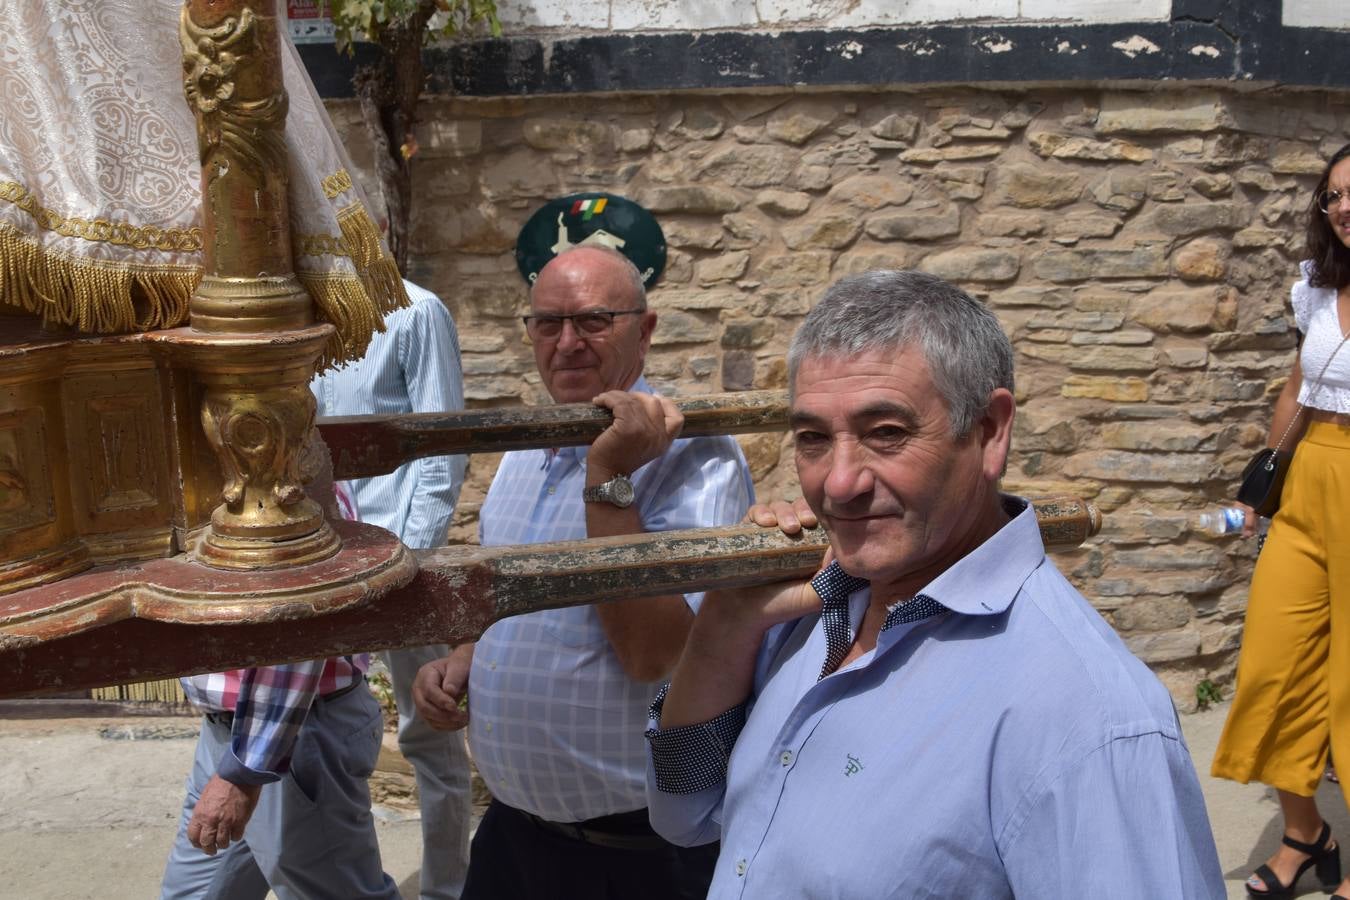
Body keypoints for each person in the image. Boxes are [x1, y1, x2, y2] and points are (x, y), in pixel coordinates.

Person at [642, 270, 1226, 898]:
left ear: (989, 431)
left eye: (886, 433)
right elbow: (686, 812)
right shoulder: (821, 604)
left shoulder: (1089, 719)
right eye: (813, 438)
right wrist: (726, 624)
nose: (839, 484)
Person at [413, 244, 754, 900]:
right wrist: (463, 656)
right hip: (514, 834)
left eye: (594, 321)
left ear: (645, 330)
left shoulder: (698, 457)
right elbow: (502, 600)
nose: (566, 343)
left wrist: (609, 477)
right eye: (547, 323)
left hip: (631, 858)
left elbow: (655, 653)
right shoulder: (521, 452)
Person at [1213, 143, 1350, 900]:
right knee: (1273, 663)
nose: (1345, 206)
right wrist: (1258, 495)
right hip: (1309, 486)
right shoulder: (1318, 290)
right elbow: (1298, 390)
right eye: (1334, 196)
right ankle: (1307, 832)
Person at [310, 279, 473, 900]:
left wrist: (407, 562)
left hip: (398, 556)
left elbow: (440, 445)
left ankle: (445, 889)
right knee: (318, 728)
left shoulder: (414, 309)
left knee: (428, 735)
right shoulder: (302, 311)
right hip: (317, 563)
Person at [160, 482, 399, 900]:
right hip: (232, 734)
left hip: (292, 729)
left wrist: (245, 772)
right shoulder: (219, 485)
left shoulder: (289, 491)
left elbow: (298, 628)